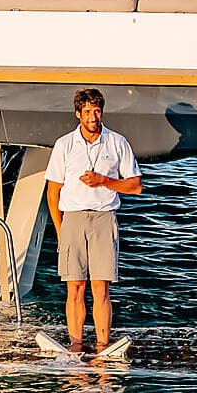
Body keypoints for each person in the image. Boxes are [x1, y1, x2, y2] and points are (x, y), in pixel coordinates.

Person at [44, 88, 142, 354]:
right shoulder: (65, 145)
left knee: (101, 286)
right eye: (87, 111)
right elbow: (53, 193)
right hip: (73, 219)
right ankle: (75, 345)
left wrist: (104, 181)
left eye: (96, 111)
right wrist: (60, 229)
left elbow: (135, 186)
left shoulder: (117, 142)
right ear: (78, 114)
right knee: (74, 286)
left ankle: (102, 345)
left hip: (103, 217)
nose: (92, 116)